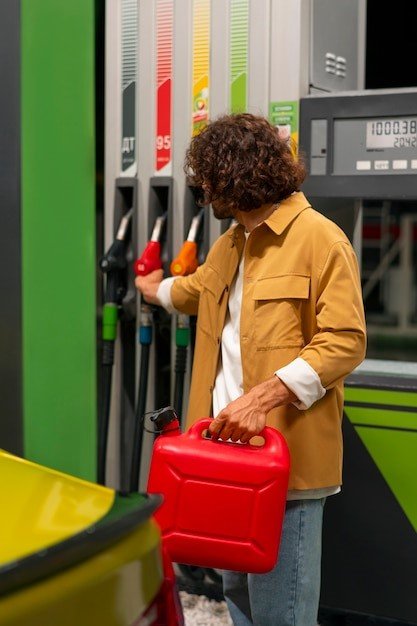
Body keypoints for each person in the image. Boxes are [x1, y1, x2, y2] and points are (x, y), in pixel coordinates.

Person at [136, 113, 366, 626]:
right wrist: (156, 289)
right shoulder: (232, 242)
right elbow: (196, 290)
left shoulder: (320, 240)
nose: (206, 194)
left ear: (236, 178)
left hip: (285, 470)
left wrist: (262, 398)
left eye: (210, 182)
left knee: (281, 613)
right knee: (237, 595)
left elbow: (346, 341)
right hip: (221, 456)